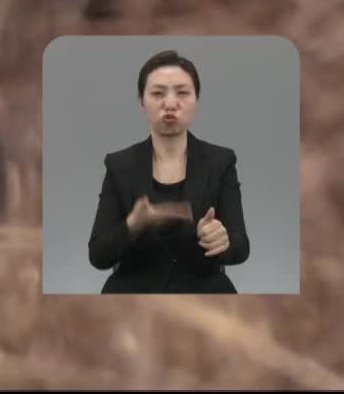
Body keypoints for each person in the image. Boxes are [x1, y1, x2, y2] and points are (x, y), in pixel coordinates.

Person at [86, 50, 251, 292]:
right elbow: (98, 256)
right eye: (157, 93)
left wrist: (222, 240)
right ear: (142, 101)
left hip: (206, 295)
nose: (170, 104)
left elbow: (241, 248)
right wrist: (132, 225)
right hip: (131, 296)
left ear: (197, 100)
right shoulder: (119, 165)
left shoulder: (221, 161)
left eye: (183, 93)